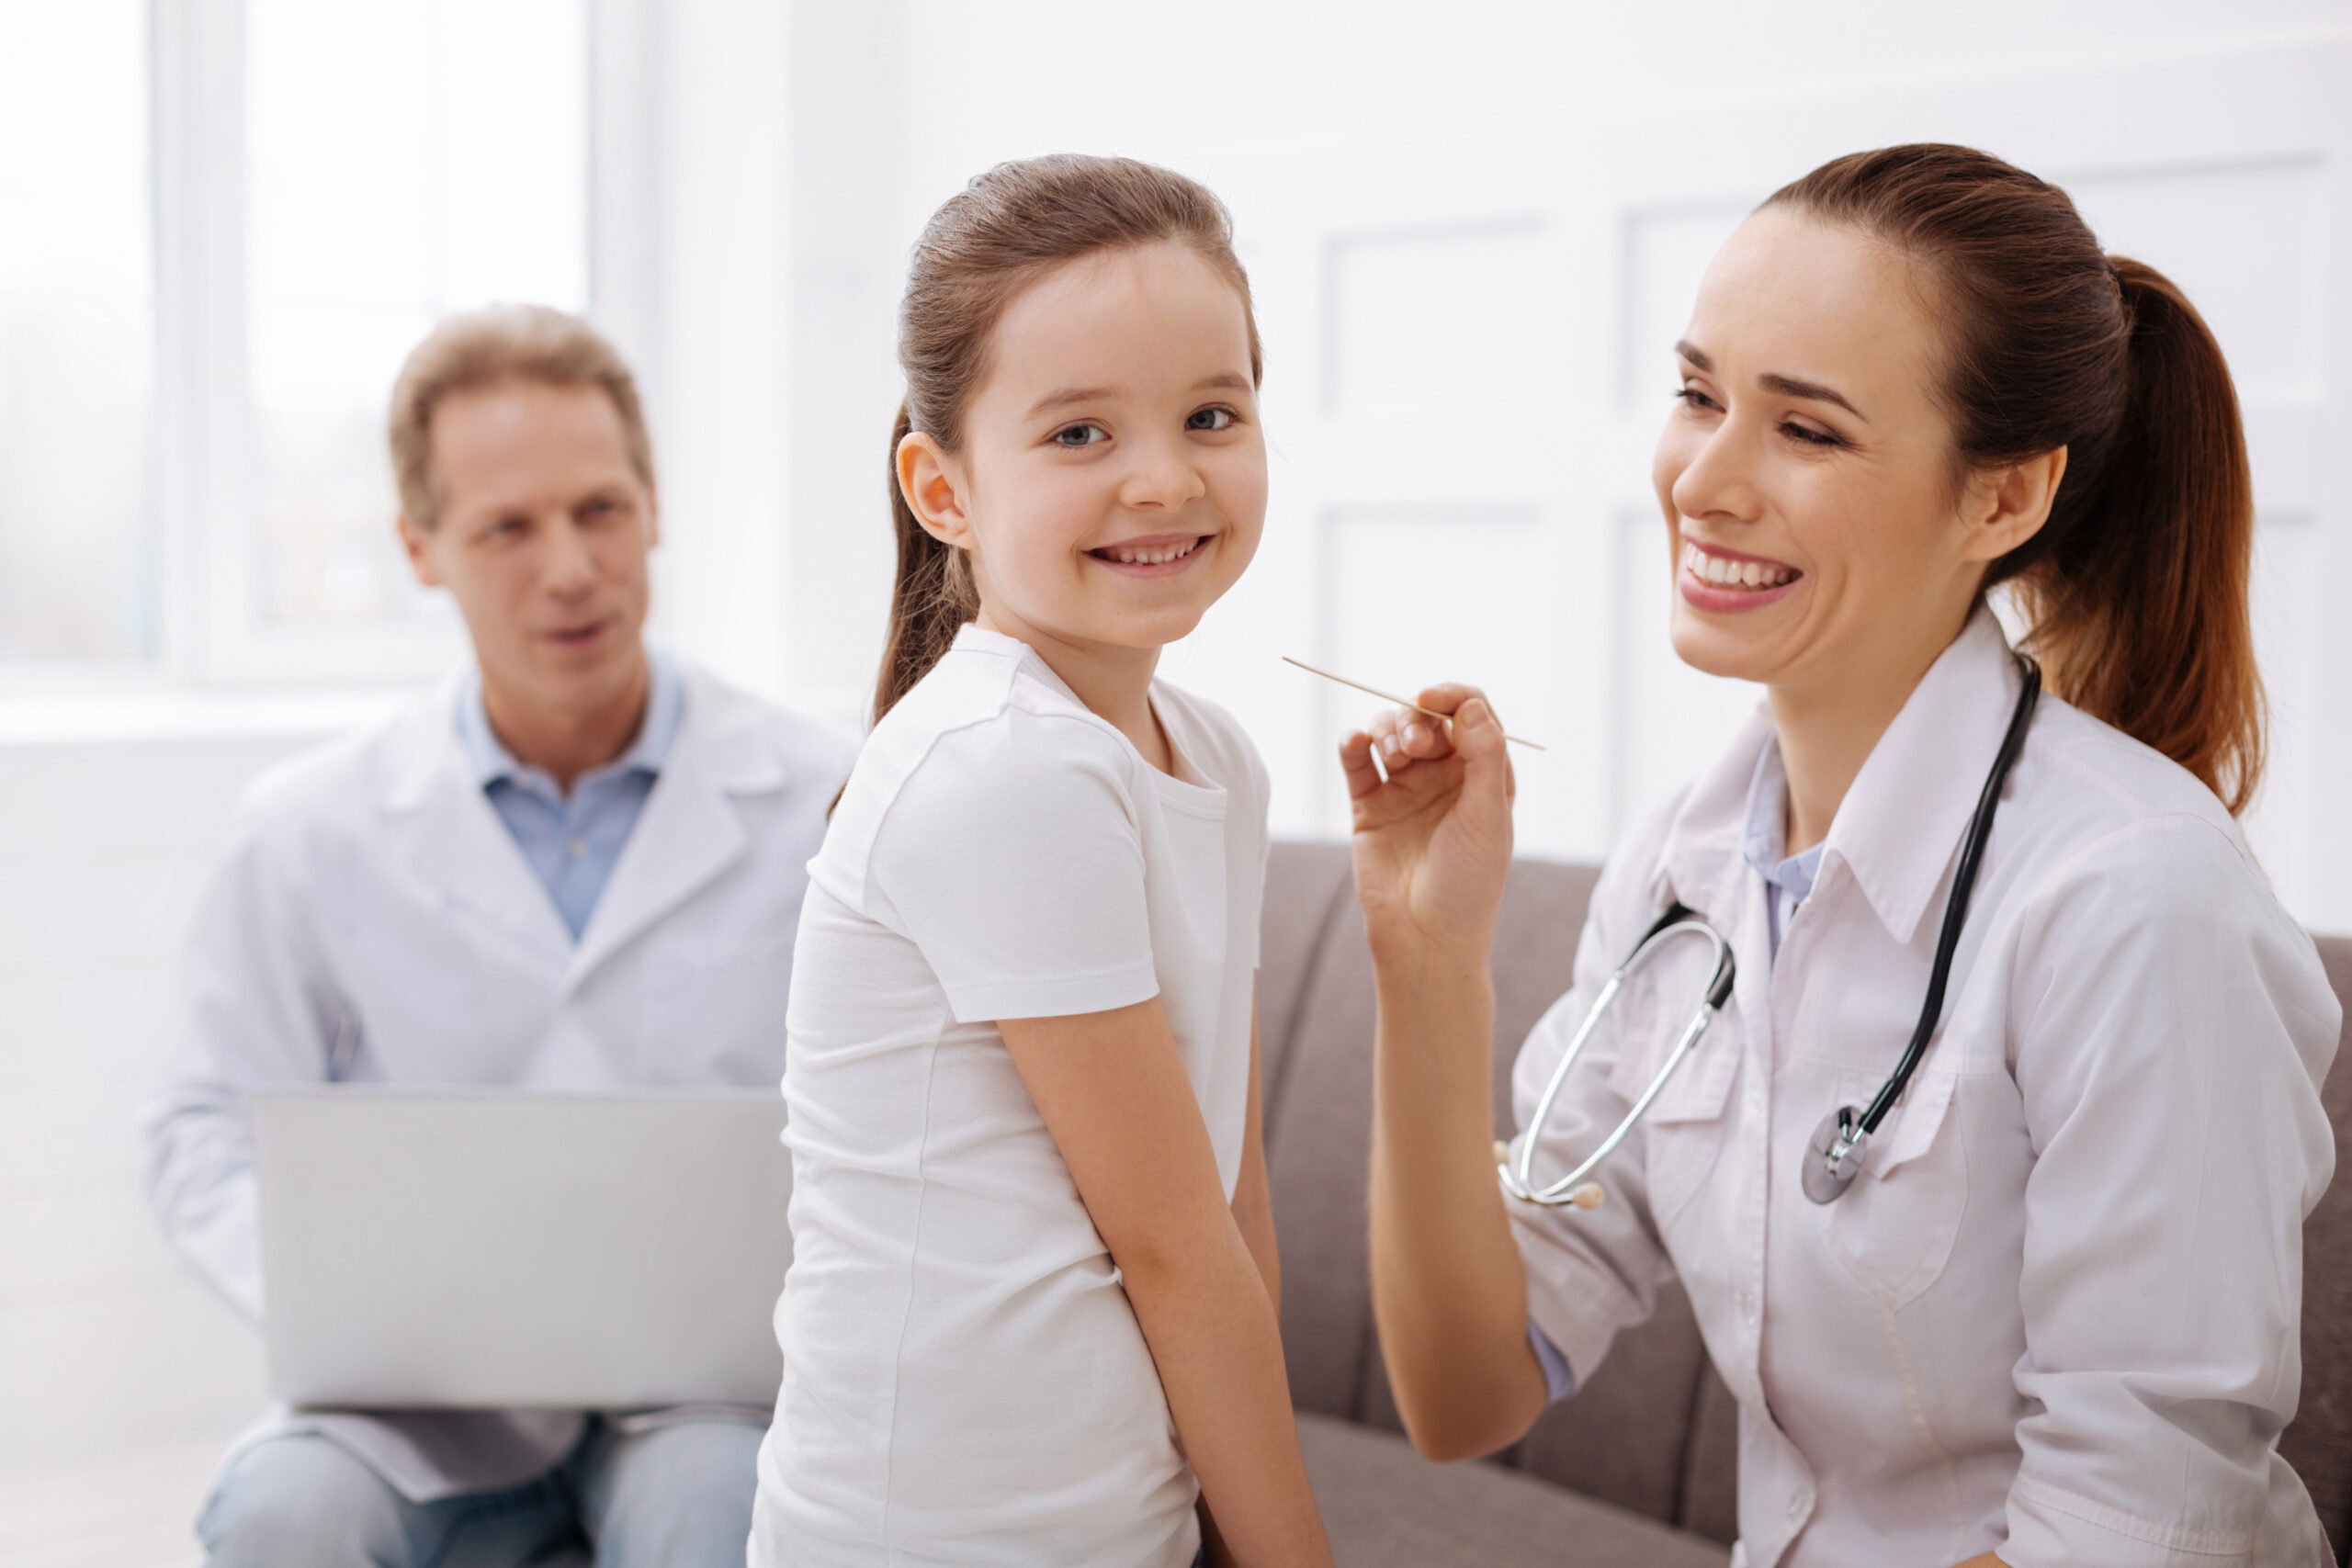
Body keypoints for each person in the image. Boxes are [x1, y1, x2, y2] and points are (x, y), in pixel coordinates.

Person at [1344, 144, 2339, 1567]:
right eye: (1698, 395)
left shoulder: (2136, 899)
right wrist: (1424, 961)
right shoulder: (1687, 869)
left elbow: (2132, 1528)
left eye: (1805, 430)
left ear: (2003, 499)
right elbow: (1466, 1389)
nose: (1705, 478)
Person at [145, 304, 854, 1568]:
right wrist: (341, 1304)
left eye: (600, 510)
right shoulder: (309, 831)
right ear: (422, 549)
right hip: (413, 1407)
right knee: (280, 1517)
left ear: (655, 506)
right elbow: (201, 1129)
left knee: (719, 1518)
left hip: (713, 1390)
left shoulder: (831, 797)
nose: (570, 568)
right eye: (507, 528)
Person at [751, 155, 1331, 1568]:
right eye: (1078, 434)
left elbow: (1226, 1202)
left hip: (1102, 1524)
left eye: (1212, 413)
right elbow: (1177, 1258)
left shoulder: (1214, 757)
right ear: (943, 488)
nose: (1164, 477)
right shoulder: (1003, 769)